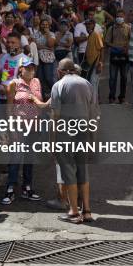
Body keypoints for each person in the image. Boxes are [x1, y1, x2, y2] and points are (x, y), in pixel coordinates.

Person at [51, 58, 97, 224]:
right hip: (84, 131)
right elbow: (93, 112)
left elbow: (55, 115)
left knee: (69, 173)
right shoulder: (87, 83)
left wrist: (52, 140)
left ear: (60, 71)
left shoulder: (58, 85)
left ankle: (73, 212)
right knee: (83, 172)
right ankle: (87, 211)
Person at [1, 56, 46, 205]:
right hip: (19, 126)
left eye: (33, 68)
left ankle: (27, 187)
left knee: (29, 157)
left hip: (33, 127)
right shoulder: (14, 84)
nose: (31, 71)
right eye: (28, 68)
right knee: (15, 157)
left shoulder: (37, 82)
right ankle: (10, 188)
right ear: (21, 69)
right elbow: (8, 108)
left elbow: (40, 103)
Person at [104, 9, 131, 104]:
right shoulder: (111, 29)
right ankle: (111, 97)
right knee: (112, 78)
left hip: (124, 55)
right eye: (118, 16)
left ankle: (122, 97)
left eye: (121, 16)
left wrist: (126, 46)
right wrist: (115, 46)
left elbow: (131, 40)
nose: (119, 18)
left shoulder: (128, 28)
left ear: (124, 17)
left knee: (124, 77)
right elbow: (106, 41)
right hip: (114, 55)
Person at [0, 32, 25, 102]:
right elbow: (2, 77)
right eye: (8, 42)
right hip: (1, 97)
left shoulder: (25, 60)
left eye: (13, 43)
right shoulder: (4, 57)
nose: (9, 45)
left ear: (19, 44)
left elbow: (23, 84)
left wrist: (7, 90)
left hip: (15, 100)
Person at [34, 17, 56, 99]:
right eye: (43, 24)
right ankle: (42, 98)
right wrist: (46, 48)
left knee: (48, 78)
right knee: (40, 79)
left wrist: (48, 34)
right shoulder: (35, 34)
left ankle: (56, 94)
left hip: (48, 59)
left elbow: (51, 45)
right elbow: (35, 46)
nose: (44, 26)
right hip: (38, 58)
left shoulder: (52, 34)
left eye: (46, 25)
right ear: (40, 25)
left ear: (49, 26)